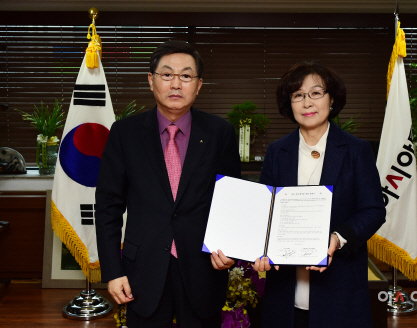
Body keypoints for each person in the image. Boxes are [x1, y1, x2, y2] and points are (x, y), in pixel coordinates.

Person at [95, 40, 241, 327]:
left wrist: (230, 250)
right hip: (143, 270)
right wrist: (113, 271)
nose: (176, 84)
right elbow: (108, 207)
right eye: (167, 75)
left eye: (186, 76)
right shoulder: (125, 133)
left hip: (203, 268)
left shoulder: (219, 132)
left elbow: (232, 201)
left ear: (198, 84)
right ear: (151, 81)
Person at [253, 60, 386, 327]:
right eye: (298, 95)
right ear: (289, 104)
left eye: (316, 93)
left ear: (332, 99)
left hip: (341, 288)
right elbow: (263, 211)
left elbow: (373, 210)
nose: (307, 103)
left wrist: (337, 239)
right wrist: (261, 248)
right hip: (285, 289)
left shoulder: (356, 150)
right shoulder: (278, 152)